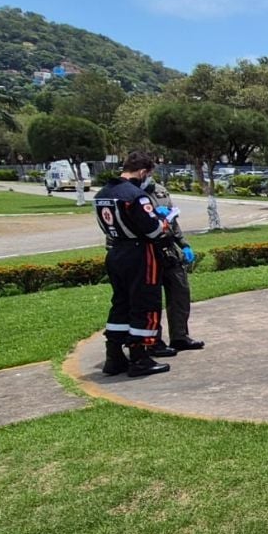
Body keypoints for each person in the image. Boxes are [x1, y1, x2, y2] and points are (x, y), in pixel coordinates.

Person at [93, 151, 176, 378]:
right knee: (145, 302)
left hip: (115, 251)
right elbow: (154, 230)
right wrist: (164, 221)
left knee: (120, 302)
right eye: (147, 174)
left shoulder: (103, 194)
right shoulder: (136, 196)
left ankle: (114, 356)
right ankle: (140, 357)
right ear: (142, 172)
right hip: (140, 253)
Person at [144, 177, 204, 353]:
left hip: (169, 249)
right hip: (148, 250)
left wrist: (184, 244)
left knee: (180, 292)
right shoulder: (132, 193)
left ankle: (180, 336)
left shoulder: (160, 190)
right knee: (151, 299)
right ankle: (153, 341)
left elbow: (173, 220)